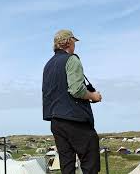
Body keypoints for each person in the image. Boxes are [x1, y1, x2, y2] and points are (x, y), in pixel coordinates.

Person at [42, 29, 102, 174]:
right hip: (75, 120)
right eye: (74, 42)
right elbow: (76, 90)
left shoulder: (48, 65)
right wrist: (94, 96)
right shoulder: (72, 59)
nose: (75, 45)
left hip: (56, 121)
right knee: (90, 162)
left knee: (67, 165)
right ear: (68, 41)